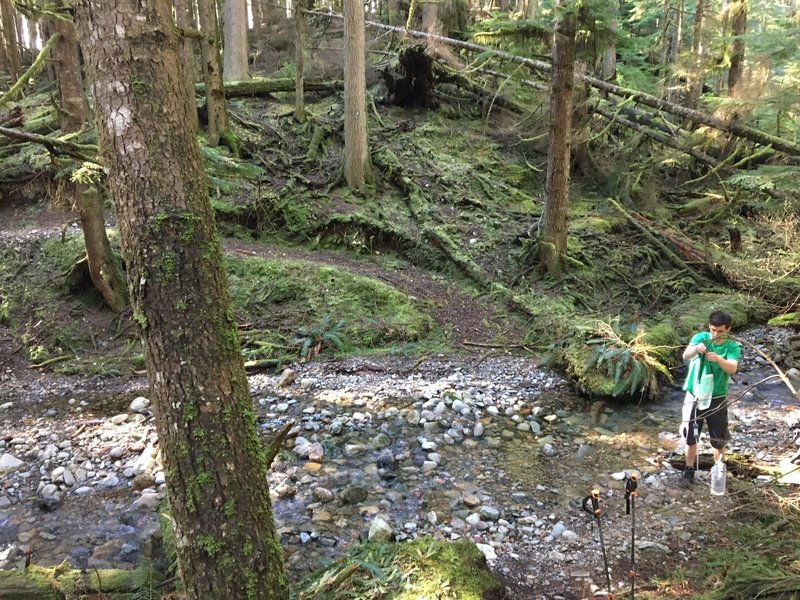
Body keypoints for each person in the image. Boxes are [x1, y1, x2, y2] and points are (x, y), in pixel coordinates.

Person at [678, 310, 741, 487]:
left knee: (718, 439)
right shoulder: (701, 338)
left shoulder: (732, 346)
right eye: (713, 330)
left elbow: (732, 368)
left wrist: (719, 359)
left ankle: (719, 471)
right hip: (695, 395)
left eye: (720, 331)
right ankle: (689, 470)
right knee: (691, 435)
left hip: (717, 397)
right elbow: (686, 355)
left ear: (728, 329)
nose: (715, 334)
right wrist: (696, 349)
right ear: (709, 327)